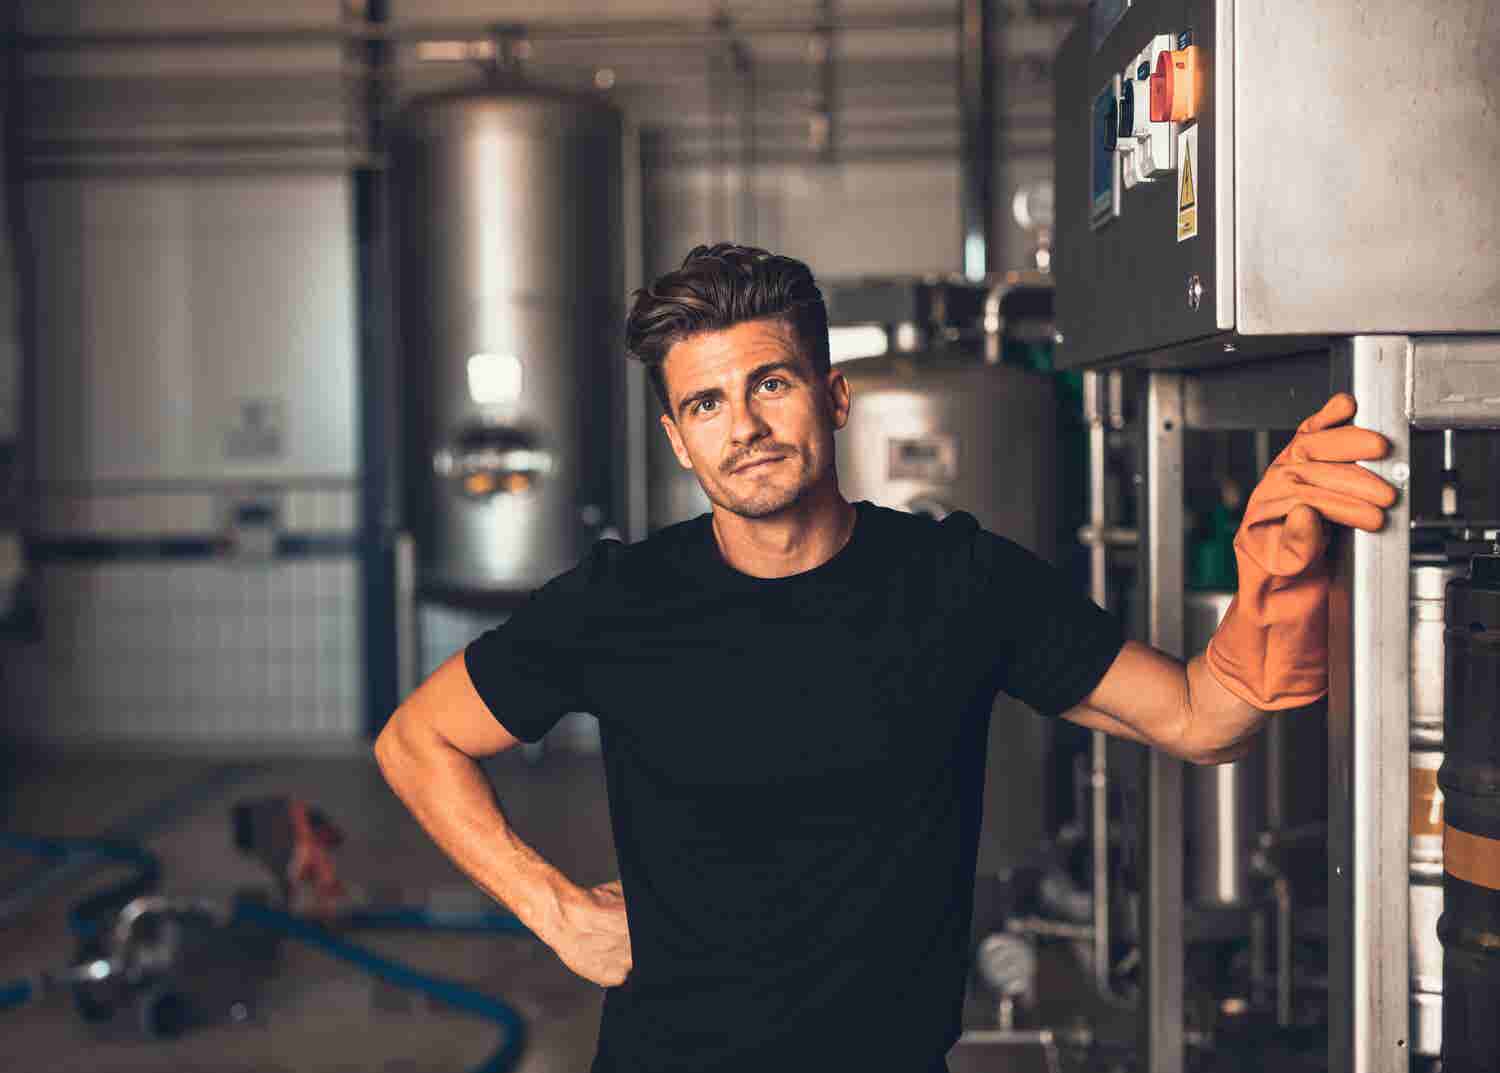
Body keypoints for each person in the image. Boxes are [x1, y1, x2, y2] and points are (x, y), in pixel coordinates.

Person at [374, 244, 1397, 1073]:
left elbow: (1201, 716)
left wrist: (1275, 588)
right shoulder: (621, 600)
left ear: (834, 394)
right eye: (706, 404)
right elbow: (418, 741)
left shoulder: (958, 581)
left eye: (770, 383)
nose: (744, 427)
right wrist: (555, 910)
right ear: (679, 439)